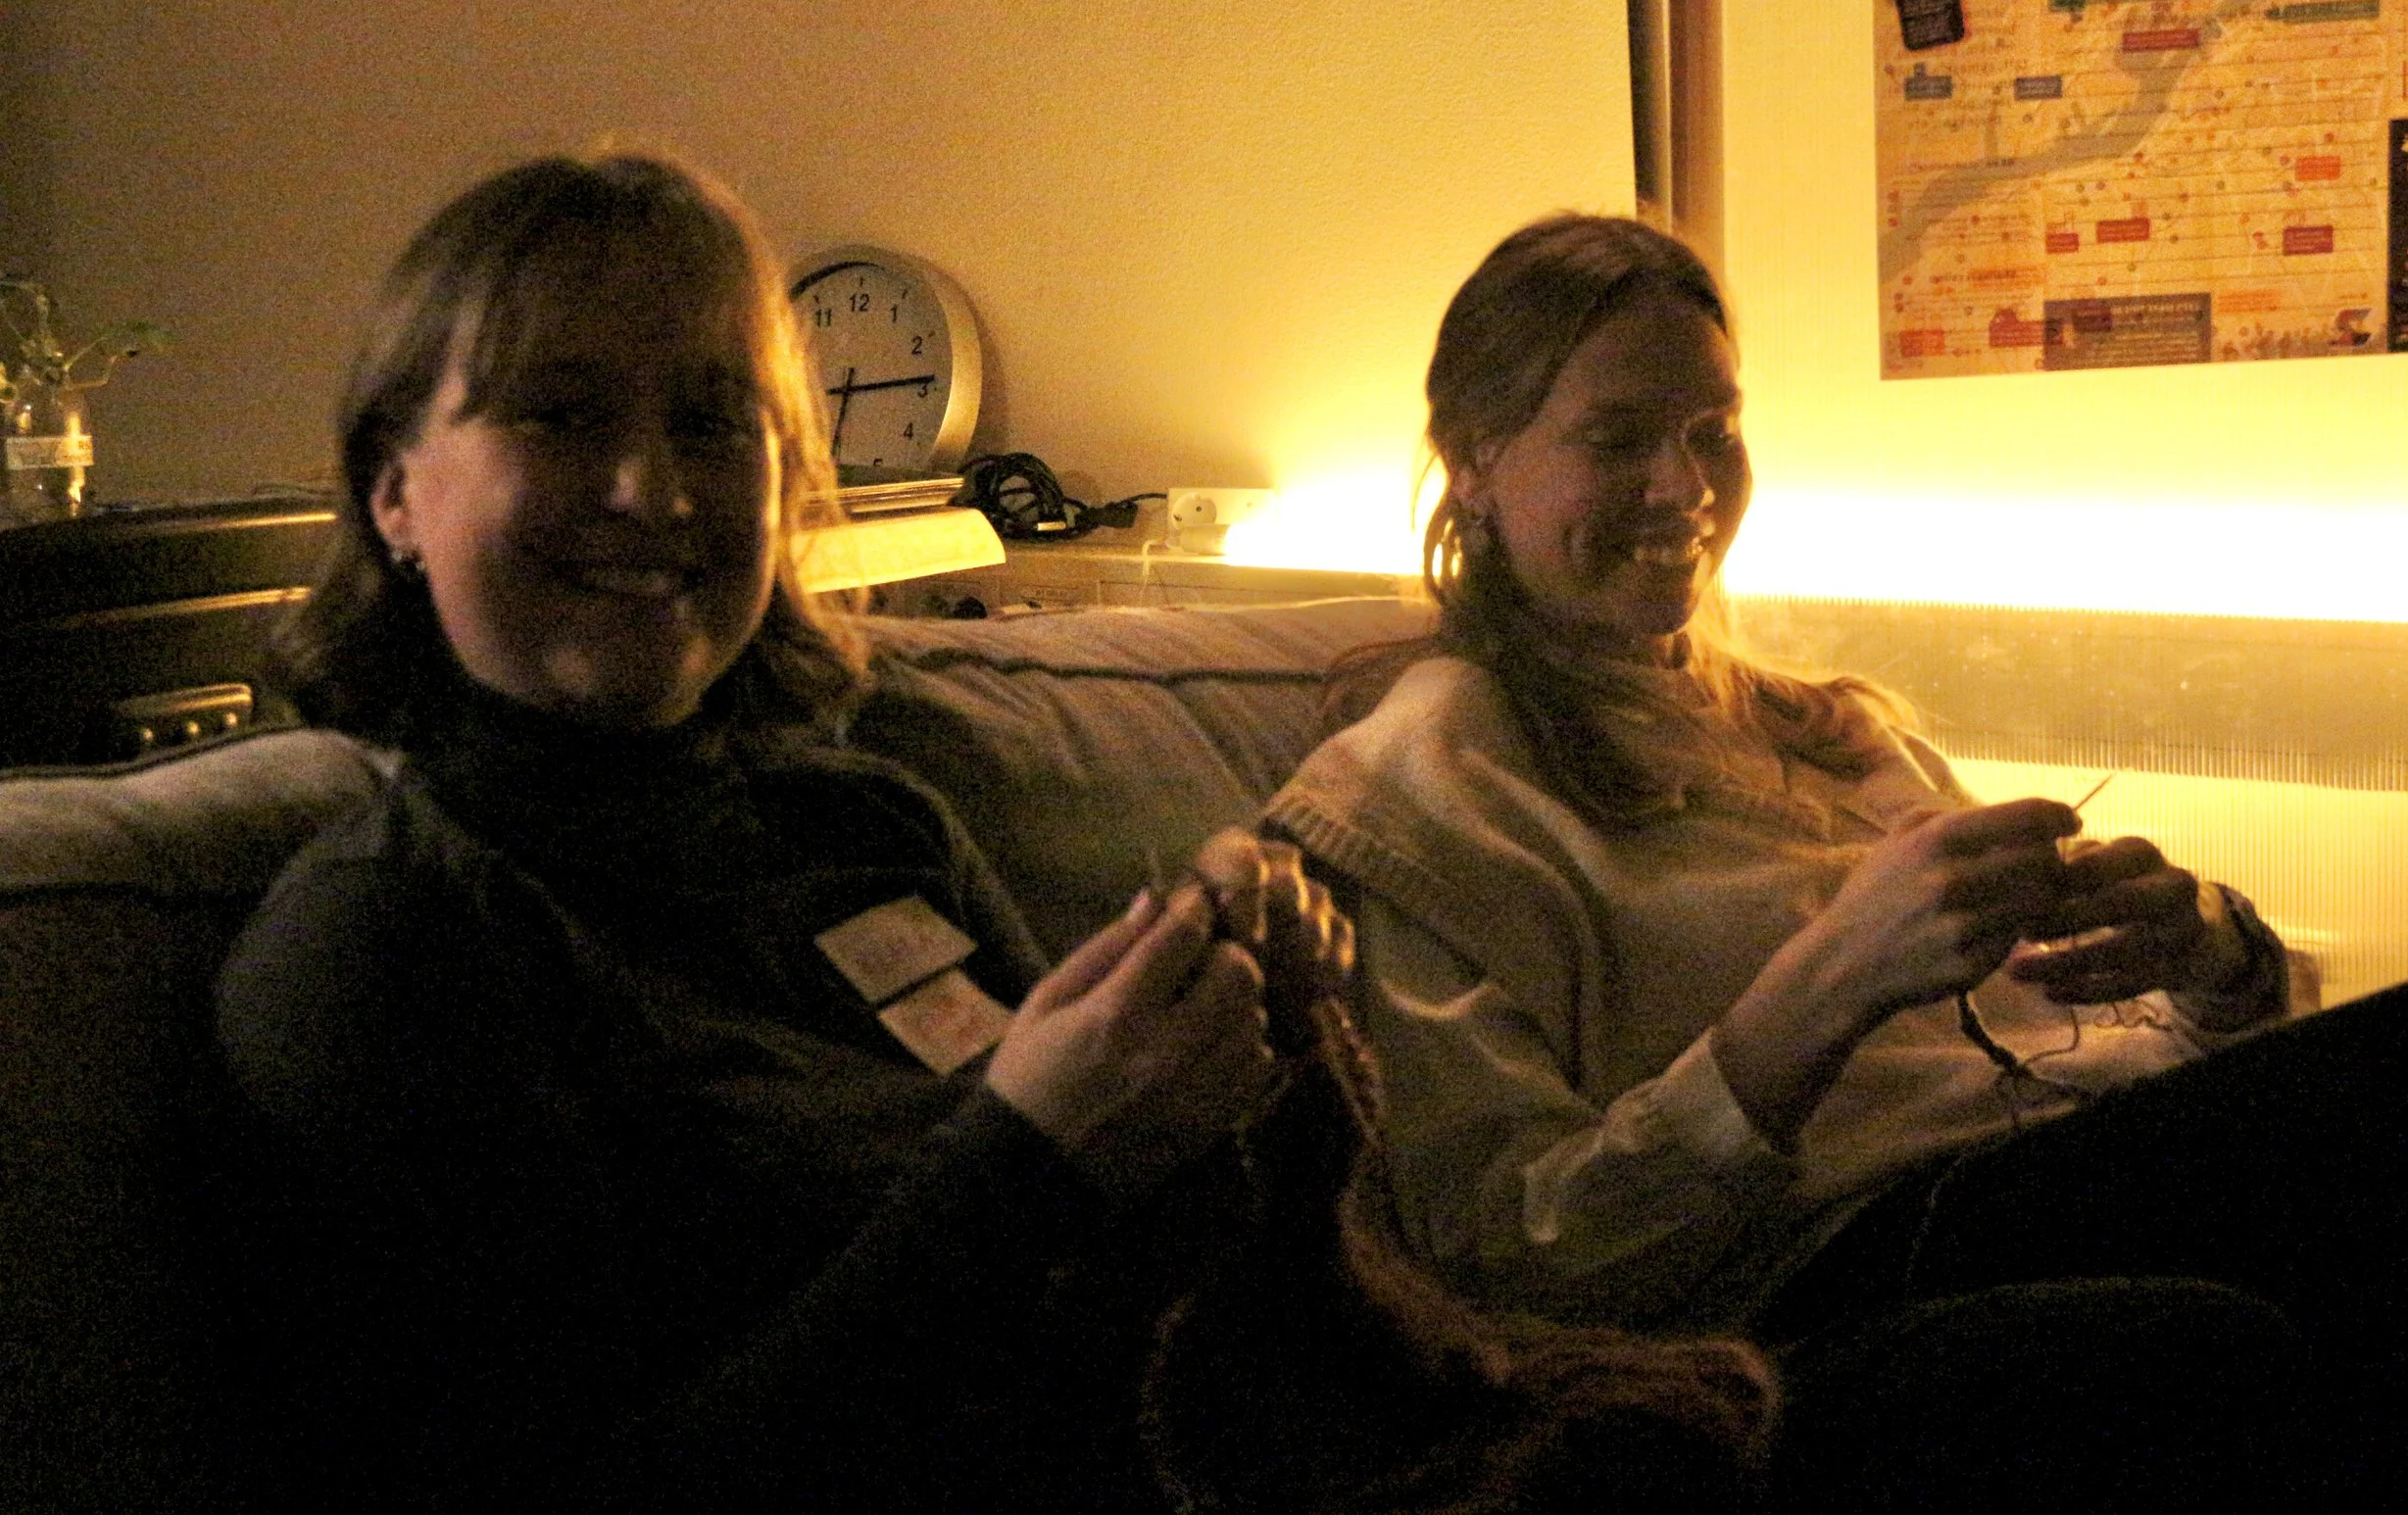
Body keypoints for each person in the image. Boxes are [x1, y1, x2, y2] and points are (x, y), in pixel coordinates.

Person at [207, 157, 1775, 1514]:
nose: (651, 487)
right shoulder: (389, 944)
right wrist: (1027, 1159)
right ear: (395, 489)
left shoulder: (858, 819)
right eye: (560, 413)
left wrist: (1227, 1016)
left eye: (714, 420)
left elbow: (1137, 1268)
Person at [1265, 211, 2408, 1499]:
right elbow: (1510, 1270)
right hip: (1841, 1267)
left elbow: (2092, 1018)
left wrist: (2211, 957)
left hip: (2072, 1145)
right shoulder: (1418, 801)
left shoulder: (1828, 731)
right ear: (1475, 464)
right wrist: (1827, 984)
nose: (1686, 487)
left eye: (1714, 431)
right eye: (1616, 439)